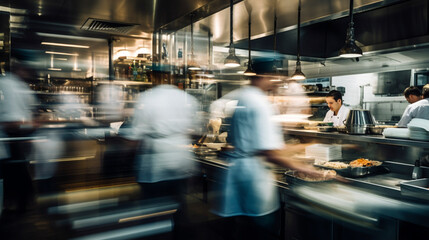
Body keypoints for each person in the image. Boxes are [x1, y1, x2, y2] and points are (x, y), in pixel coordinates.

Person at [212, 75, 326, 240]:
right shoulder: (260, 103)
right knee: (261, 231)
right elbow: (270, 153)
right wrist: (304, 169)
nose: (276, 82)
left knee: (243, 229)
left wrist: (301, 147)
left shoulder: (243, 96)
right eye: (273, 78)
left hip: (239, 171)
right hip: (254, 179)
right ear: (263, 77)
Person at [126, 81, 200, 239]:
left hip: (156, 162)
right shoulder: (186, 97)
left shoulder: (147, 98)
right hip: (180, 159)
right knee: (178, 206)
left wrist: (127, 158)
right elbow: (194, 131)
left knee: (152, 211)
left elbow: (135, 136)